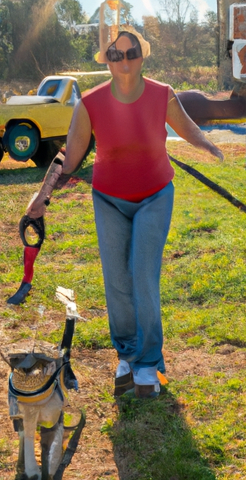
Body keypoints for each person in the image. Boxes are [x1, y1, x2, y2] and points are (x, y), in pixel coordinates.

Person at [27, 28, 223, 398]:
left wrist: (209, 146)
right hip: (109, 199)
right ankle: (128, 355)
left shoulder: (162, 94)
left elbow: (188, 128)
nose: (124, 60)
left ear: (142, 56)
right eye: (116, 55)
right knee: (117, 280)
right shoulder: (91, 102)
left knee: (142, 276)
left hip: (155, 196)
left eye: (131, 53)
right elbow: (70, 156)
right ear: (107, 61)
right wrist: (42, 197)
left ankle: (149, 363)